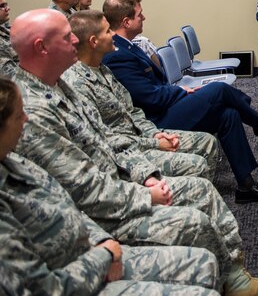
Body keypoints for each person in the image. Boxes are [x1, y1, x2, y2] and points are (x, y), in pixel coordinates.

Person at [10, 9, 258, 296]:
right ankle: (230, 277)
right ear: (41, 47)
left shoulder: (61, 85)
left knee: (222, 124)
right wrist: (145, 191)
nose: (76, 40)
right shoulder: (33, 109)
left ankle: (236, 278)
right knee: (197, 209)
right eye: (66, 36)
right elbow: (79, 187)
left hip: (122, 175)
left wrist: (146, 170)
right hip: (104, 208)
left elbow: (111, 136)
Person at [0, 77, 222, 296]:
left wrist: (101, 241)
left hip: (94, 241)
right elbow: (46, 289)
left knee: (205, 264)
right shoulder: (42, 113)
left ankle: (234, 280)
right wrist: (104, 255)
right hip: (82, 267)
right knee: (196, 226)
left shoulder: (15, 162)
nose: (26, 119)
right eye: (19, 115)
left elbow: (68, 203)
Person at [102, 0, 258, 203]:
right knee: (218, 90)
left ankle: (246, 186)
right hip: (155, 123)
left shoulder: (128, 45)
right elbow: (149, 98)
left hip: (165, 107)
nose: (144, 18)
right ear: (126, 21)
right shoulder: (117, 55)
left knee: (229, 114)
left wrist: (178, 93)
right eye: (140, 14)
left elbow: (155, 89)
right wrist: (180, 92)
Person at [64, 10, 219, 180]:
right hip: (122, 154)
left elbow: (132, 111)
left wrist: (154, 134)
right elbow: (104, 138)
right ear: (94, 41)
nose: (113, 34)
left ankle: (193, 201)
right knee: (196, 164)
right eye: (108, 31)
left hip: (140, 137)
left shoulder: (103, 70)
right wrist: (155, 143)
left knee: (207, 141)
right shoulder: (77, 83)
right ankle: (187, 199)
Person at [0, 0, 18, 75]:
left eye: (6, 4)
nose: (8, 8)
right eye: (2, 6)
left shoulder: (3, 26)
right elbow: (11, 77)